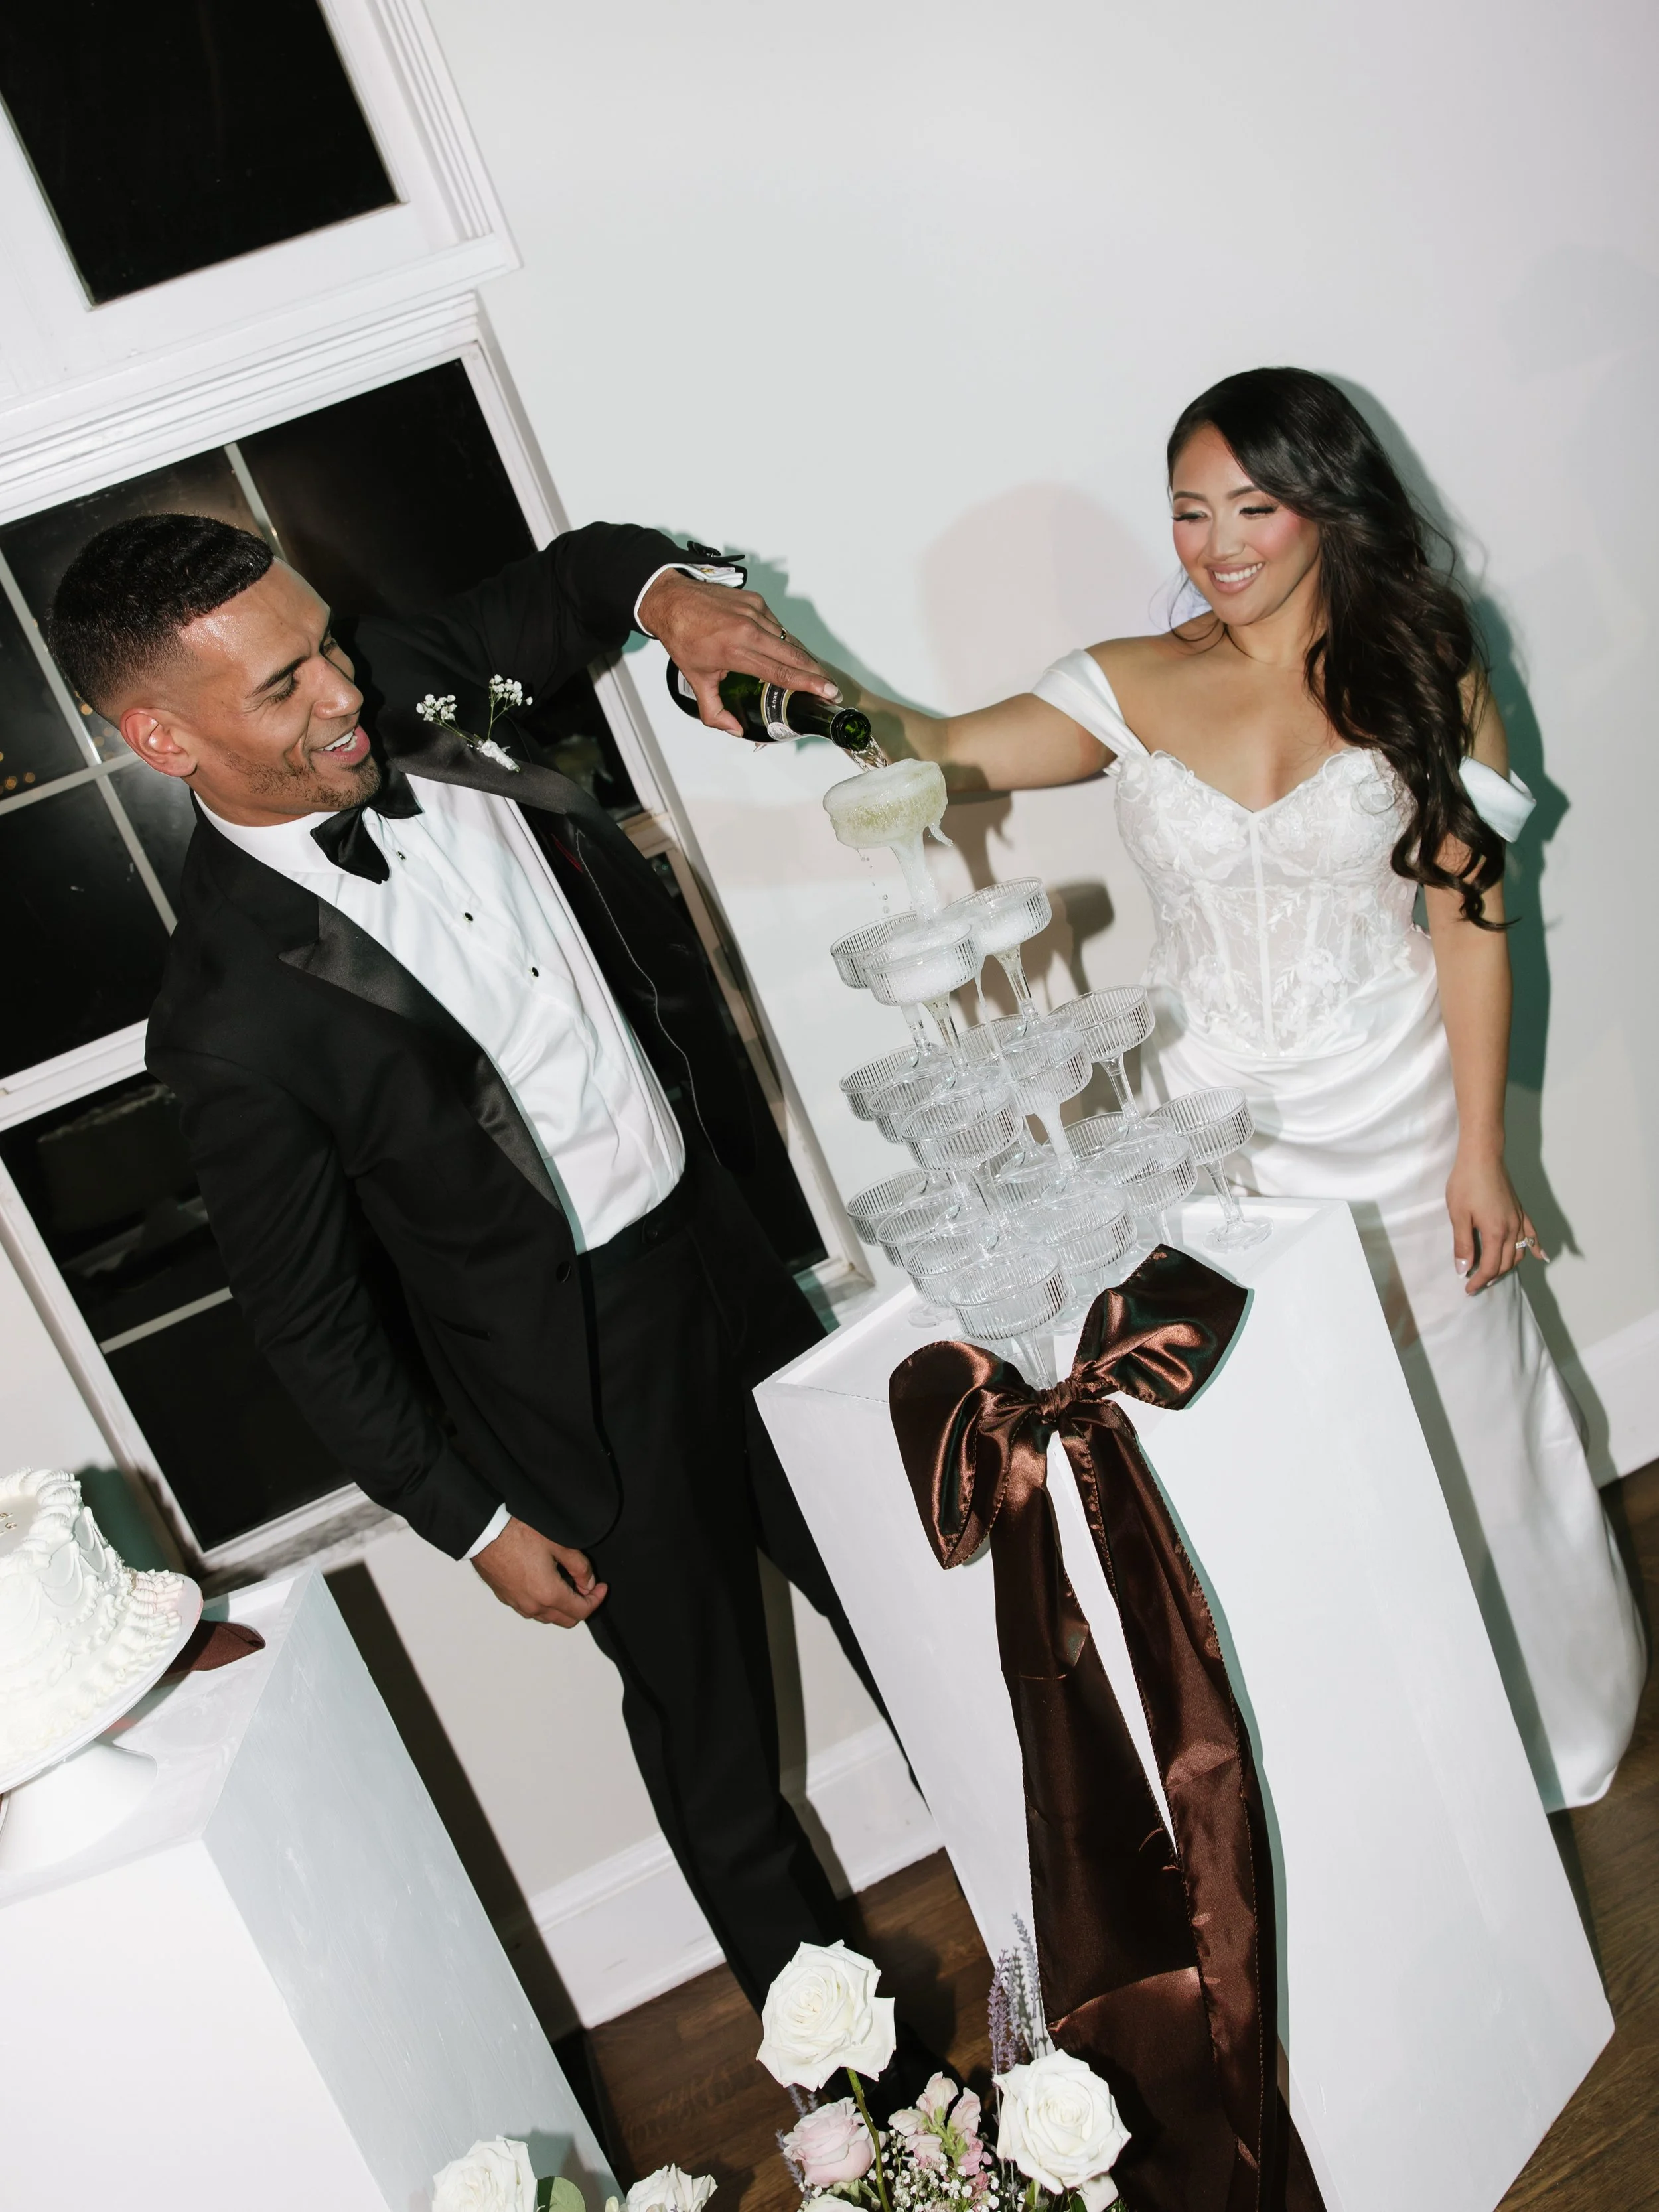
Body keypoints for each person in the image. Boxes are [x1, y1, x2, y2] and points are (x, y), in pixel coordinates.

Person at [46, 513, 932, 2081]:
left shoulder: (406, 679)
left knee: (920, 1605)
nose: (343, 694)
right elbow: (312, 1320)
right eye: (284, 683)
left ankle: (1087, 1926)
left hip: (722, 1256)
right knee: (716, 1758)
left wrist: (680, 608)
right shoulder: (226, 1023)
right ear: (159, 738)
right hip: (570, 1385)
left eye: (327, 641)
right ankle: (902, 2115)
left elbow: (591, 574)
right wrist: (467, 1517)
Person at [822, 366, 1645, 1811]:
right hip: (1219, 1150)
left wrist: (1480, 1151)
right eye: (1189, 511)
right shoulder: (1128, 682)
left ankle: (1556, 1718)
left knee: (1475, 1425)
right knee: (1294, 1451)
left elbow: (1466, 918)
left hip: (1399, 1118)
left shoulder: (1425, 666)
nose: (1214, 543)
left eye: (1249, 508)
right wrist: (811, 700)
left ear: (1323, 506)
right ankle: (1384, 1761)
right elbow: (937, 748)